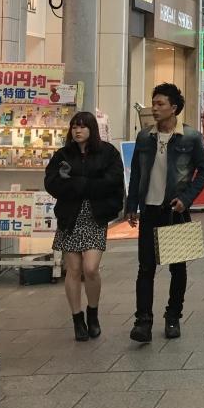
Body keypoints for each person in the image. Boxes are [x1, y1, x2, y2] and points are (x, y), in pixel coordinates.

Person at [125, 83, 204, 343]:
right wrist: (131, 205)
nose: (155, 108)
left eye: (160, 104)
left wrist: (186, 199)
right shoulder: (144, 137)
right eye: (154, 103)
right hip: (149, 210)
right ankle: (143, 321)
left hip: (175, 211)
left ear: (173, 108)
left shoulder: (190, 137)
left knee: (177, 267)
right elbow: (136, 173)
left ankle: (173, 316)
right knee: (145, 268)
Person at [45, 111, 124, 341]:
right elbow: (51, 183)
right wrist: (81, 186)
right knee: (73, 270)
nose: (77, 131)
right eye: (74, 127)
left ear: (92, 129)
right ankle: (77, 319)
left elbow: (113, 182)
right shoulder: (62, 155)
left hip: (95, 217)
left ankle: (93, 312)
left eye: (82, 126)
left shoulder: (107, 152)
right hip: (70, 217)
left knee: (90, 268)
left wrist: (80, 184)